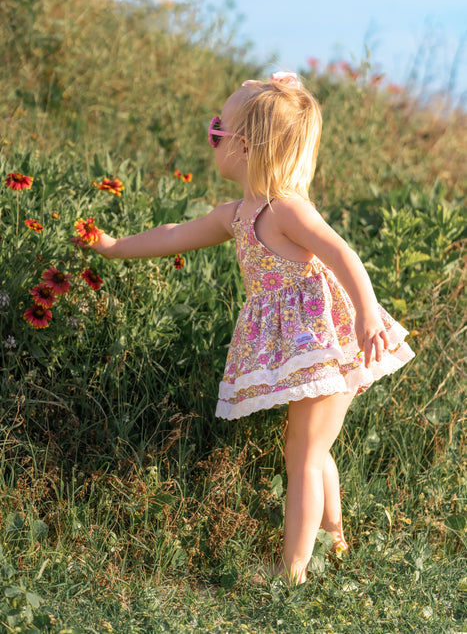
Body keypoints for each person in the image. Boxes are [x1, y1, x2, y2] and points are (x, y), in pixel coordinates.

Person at [87, 72, 415, 585]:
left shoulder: (287, 209)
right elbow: (176, 234)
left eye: (217, 129)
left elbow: (341, 253)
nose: (211, 136)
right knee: (312, 447)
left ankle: (293, 571)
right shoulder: (236, 215)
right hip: (307, 347)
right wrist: (112, 246)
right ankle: (336, 541)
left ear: (244, 146)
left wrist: (369, 315)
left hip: (331, 342)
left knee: (303, 452)